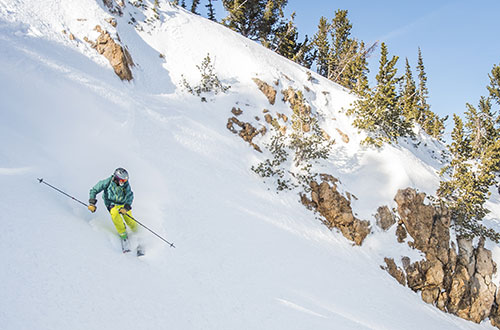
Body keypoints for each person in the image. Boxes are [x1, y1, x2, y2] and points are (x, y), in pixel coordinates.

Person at [88, 168, 137, 240]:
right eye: (122, 180)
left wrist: (126, 207)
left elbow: (130, 195)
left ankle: (137, 232)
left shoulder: (125, 184)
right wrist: (92, 203)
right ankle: (123, 234)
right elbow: (94, 190)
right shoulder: (108, 182)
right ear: (116, 178)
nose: (124, 182)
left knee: (129, 218)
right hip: (111, 203)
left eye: (125, 180)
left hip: (122, 203)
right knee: (115, 215)